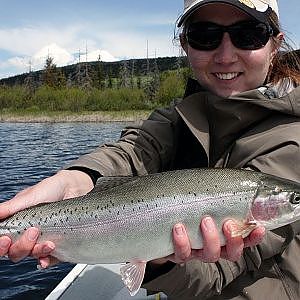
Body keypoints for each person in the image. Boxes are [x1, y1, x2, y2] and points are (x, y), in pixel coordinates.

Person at [1, 0, 300, 298]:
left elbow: (216, 275)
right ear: (185, 45)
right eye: (205, 35)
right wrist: (74, 179)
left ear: (275, 45)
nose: (225, 55)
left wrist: (156, 256)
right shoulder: (183, 114)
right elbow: (134, 150)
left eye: (247, 34)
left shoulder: (292, 139)